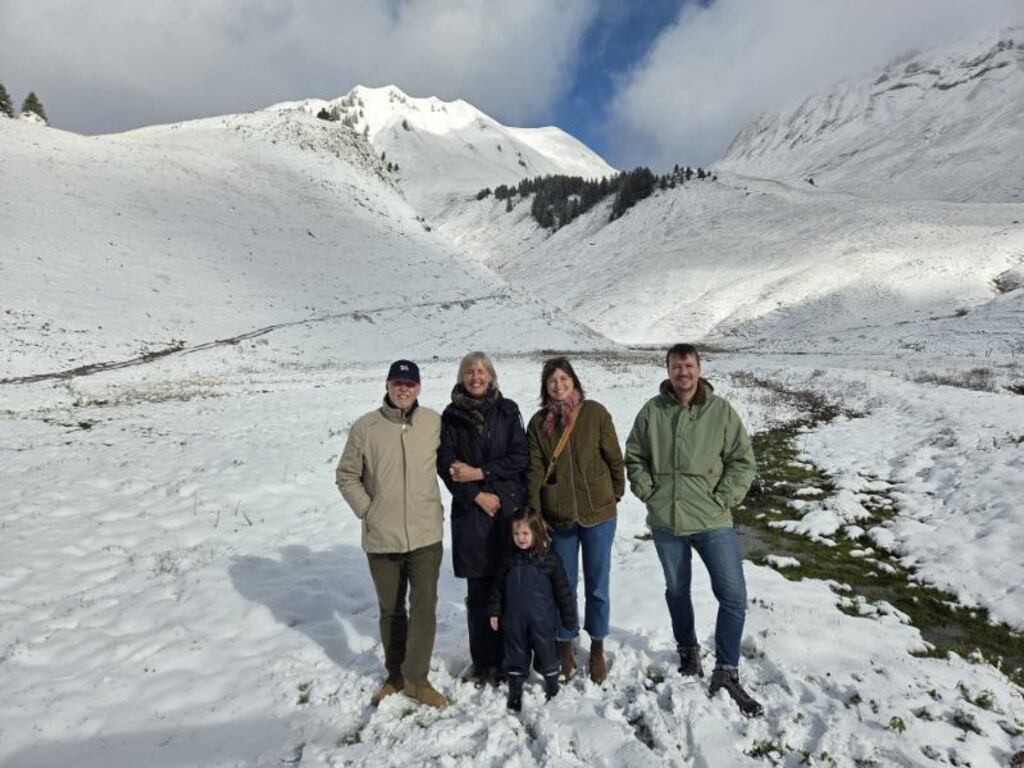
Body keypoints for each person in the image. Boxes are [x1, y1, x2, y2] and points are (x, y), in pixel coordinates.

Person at [624, 343, 762, 717]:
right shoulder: (652, 411)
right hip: (667, 521)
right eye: (675, 366)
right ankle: (688, 651)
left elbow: (742, 460)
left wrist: (724, 497)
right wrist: (649, 491)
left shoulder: (720, 411)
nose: (682, 372)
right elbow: (634, 456)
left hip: (712, 519)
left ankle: (727, 670)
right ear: (667, 370)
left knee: (733, 595)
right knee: (677, 589)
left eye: (688, 365)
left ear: (699, 368)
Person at [335, 359, 446, 709]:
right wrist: (368, 511)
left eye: (409, 384)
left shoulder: (433, 422)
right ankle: (395, 675)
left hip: (426, 534)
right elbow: (346, 475)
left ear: (419, 388)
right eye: (397, 383)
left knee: (424, 609)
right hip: (382, 537)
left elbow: (451, 463)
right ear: (386, 386)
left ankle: (417, 679)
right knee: (391, 610)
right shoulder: (365, 427)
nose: (403, 389)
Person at [525, 356, 625, 684]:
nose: (559, 385)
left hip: (599, 514)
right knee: (564, 585)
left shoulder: (594, 413)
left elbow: (613, 455)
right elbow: (534, 470)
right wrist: (536, 512)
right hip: (559, 516)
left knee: (598, 585)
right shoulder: (538, 424)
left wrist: (616, 490)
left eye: (563, 379)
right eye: (552, 380)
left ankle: (596, 646)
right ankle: (565, 642)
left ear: (574, 381)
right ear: (545, 387)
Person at [437, 351, 528, 685]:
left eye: (480, 371)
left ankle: (510, 657)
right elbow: (446, 465)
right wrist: (476, 495)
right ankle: (483, 661)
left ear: (490, 376)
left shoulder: (508, 410)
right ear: (462, 378)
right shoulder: (451, 416)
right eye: (469, 372)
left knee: (509, 589)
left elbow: (519, 458)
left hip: (507, 511)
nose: (475, 377)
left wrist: (480, 473)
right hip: (471, 513)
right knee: (478, 594)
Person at [487, 507, 576, 712]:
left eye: (526, 533)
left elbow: (563, 592)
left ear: (537, 532)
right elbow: (498, 588)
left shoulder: (549, 560)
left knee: (547, 652)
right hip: (514, 620)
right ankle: (515, 690)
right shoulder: (508, 559)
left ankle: (552, 684)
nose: (521, 538)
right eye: (516, 534)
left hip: (542, 620)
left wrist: (568, 617)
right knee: (515, 654)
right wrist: (494, 611)